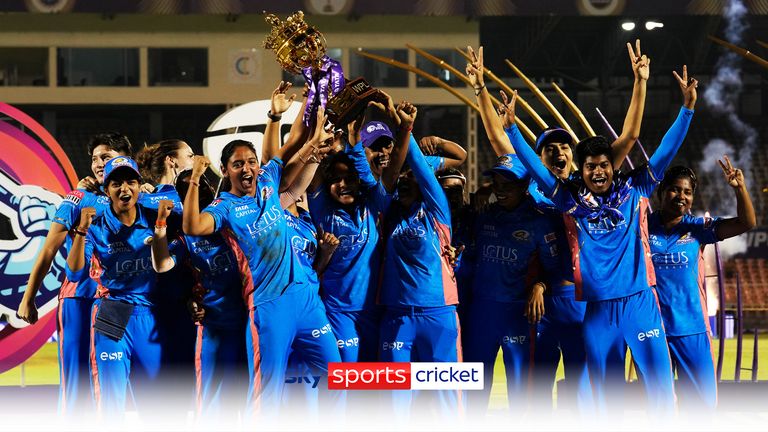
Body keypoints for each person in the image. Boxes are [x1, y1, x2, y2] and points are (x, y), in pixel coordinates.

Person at [503, 63, 697, 416]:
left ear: (612, 166)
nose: (598, 171)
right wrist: (513, 130)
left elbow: (659, 149)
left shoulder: (633, 187)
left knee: (661, 394)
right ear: (583, 169)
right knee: (607, 402)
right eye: (590, 166)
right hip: (597, 311)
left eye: (604, 164)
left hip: (639, 303)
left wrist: (684, 109)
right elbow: (534, 168)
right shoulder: (570, 199)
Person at [466, 41, 649, 412]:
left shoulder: (585, 187)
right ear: (538, 156)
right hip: (542, 305)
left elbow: (628, 138)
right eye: (549, 148)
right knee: (534, 395)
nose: (559, 151)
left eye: (566, 146)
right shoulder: (531, 186)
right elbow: (498, 137)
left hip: (583, 300)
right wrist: (480, 90)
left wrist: (640, 82)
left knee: (584, 393)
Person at [181, 108, 342, 421]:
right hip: (269, 307)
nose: (247, 168)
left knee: (335, 377)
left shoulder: (269, 180)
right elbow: (192, 227)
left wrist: (311, 126)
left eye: (250, 161)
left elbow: (291, 153)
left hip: (307, 303)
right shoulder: (224, 208)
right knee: (268, 393)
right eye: (237, 164)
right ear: (225, 170)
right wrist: (197, 179)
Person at [16, 132, 133, 415]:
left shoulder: (137, 195)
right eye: (94, 159)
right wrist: (28, 297)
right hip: (80, 299)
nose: (97, 164)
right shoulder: (79, 197)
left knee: (114, 389)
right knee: (77, 386)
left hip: (118, 302)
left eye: (105, 157)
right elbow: (48, 248)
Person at [65, 157, 184, 417]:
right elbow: (73, 274)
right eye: (116, 183)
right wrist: (81, 231)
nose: (124, 189)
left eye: (131, 182)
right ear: (106, 191)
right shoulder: (95, 226)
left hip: (149, 314)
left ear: (140, 187)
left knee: (155, 404)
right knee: (112, 403)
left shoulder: (158, 218)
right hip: (112, 312)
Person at [649, 159, 756, 410]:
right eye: (675, 189)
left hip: (692, 329)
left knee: (703, 407)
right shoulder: (642, 225)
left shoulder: (698, 228)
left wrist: (739, 188)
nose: (681, 196)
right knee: (659, 408)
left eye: (687, 192)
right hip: (653, 331)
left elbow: (746, 223)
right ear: (662, 192)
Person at [377, 101, 461, 420]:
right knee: (396, 400)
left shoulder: (437, 209)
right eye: (402, 176)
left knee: (446, 399)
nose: (407, 179)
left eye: (413, 175)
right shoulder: (386, 211)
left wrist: (405, 127)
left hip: (439, 314)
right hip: (397, 316)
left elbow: (423, 170)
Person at [463, 154, 563, 417]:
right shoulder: (483, 217)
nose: (500, 190)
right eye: (496, 184)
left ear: (524, 185)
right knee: (473, 392)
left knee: (520, 394)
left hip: (518, 316)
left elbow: (555, 270)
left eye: (508, 184)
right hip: (481, 313)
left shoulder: (541, 222)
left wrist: (540, 285)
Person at [172, 169, 247, 422]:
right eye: (187, 189)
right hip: (214, 325)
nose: (197, 190)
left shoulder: (234, 216)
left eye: (201, 183)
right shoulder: (185, 238)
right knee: (213, 404)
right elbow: (168, 271)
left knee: (251, 399)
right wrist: (190, 300)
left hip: (251, 322)